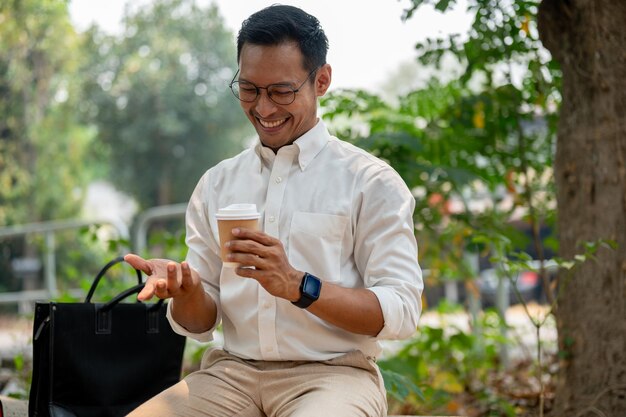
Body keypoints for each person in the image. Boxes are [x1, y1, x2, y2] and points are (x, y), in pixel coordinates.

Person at [125, 5, 423, 417]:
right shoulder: (217, 184)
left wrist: (300, 285)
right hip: (230, 375)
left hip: (334, 377)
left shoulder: (370, 181)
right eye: (249, 89)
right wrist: (188, 291)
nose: (263, 109)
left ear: (321, 80)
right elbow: (199, 323)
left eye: (281, 91)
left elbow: (402, 310)